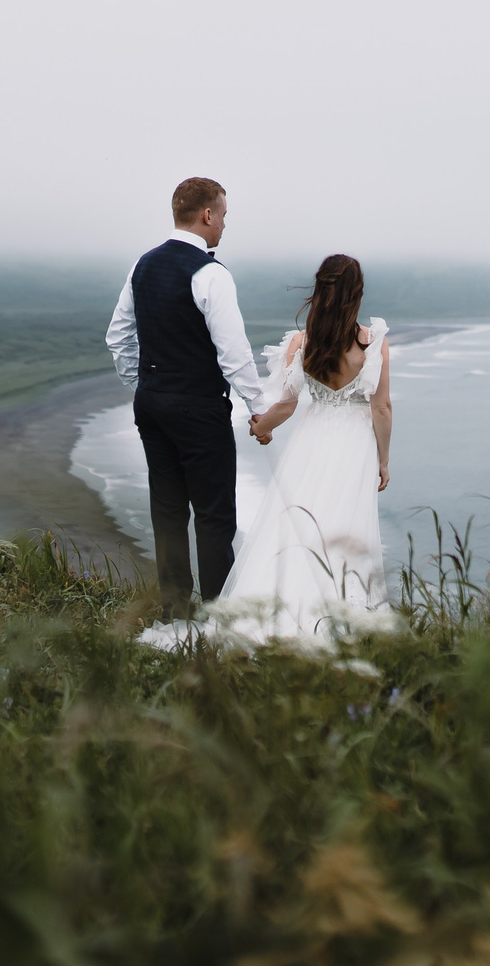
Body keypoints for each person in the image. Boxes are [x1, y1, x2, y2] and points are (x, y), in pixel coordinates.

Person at [106, 177, 263, 617]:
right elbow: (234, 355)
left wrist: (143, 383)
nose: (225, 226)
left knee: (168, 510)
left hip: (152, 403)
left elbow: (117, 336)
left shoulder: (143, 264)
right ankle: (217, 618)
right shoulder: (211, 274)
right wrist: (261, 410)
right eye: (224, 216)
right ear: (207, 215)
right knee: (214, 516)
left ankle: (174, 611)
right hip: (199, 407)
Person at [219, 253, 394, 643]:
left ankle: (274, 612)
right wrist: (384, 461)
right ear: (357, 294)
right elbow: (380, 408)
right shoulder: (372, 343)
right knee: (348, 528)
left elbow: (286, 403)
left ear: (320, 291)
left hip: (310, 442)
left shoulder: (303, 343)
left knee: (296, 525)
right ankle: (345, 621)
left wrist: (261, 427)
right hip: (355, 446)